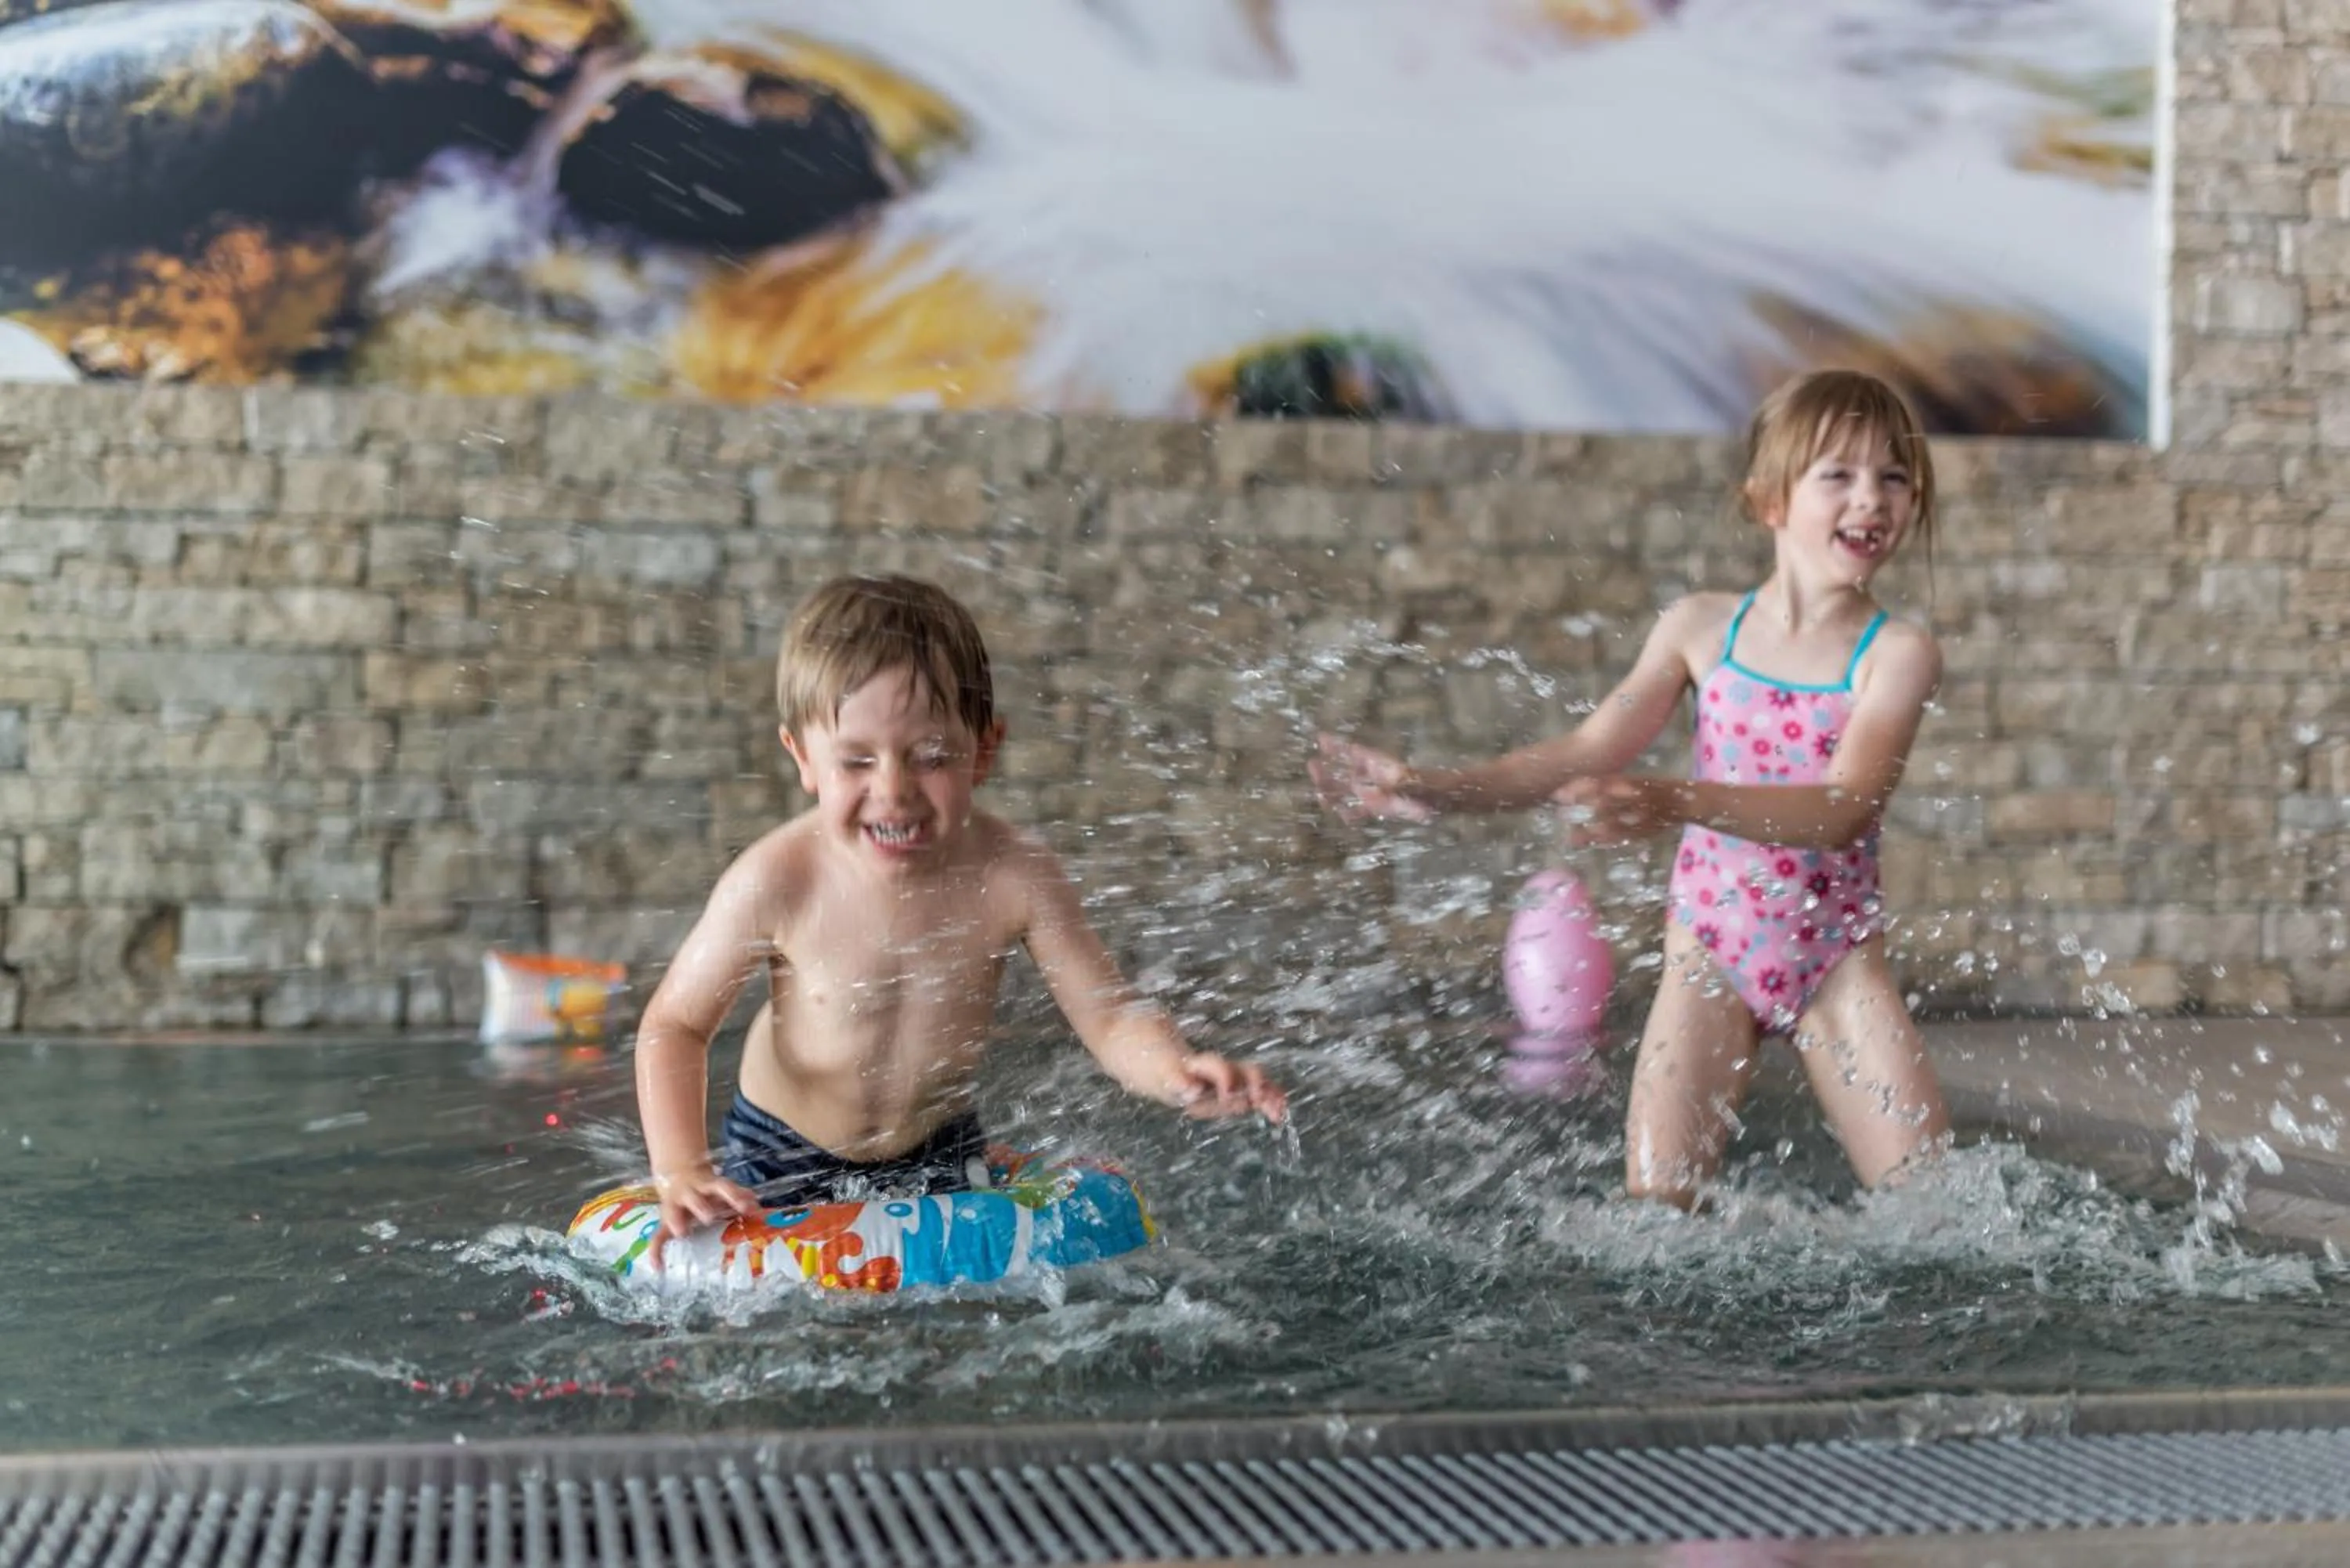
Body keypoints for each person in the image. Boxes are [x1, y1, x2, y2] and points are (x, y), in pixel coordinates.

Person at [1312, 369, 1953, 1209]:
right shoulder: (1697, 629)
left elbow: (1844, 809)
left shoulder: (1894, 652)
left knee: (1937, 1209)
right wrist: (1438, 790)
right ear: (1768, 499)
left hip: (1837, 964)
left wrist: (1674, 800)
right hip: (1711, 955)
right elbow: (1585, 749)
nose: (1872, 498)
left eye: (1894, 477)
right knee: (1656, 1222)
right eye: (1839, 474)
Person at [634, 573, 1286, 1261]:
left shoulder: (1016, 874)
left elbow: (1110, 1016)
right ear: (803, 758)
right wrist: (681, 1170)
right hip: (782, 1158)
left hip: (939, 1152)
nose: (894, 790)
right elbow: (675, 1026)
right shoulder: (778, 880)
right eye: (857, 760)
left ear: (984, 750)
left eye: (932, 756)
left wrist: (1177, 1071)